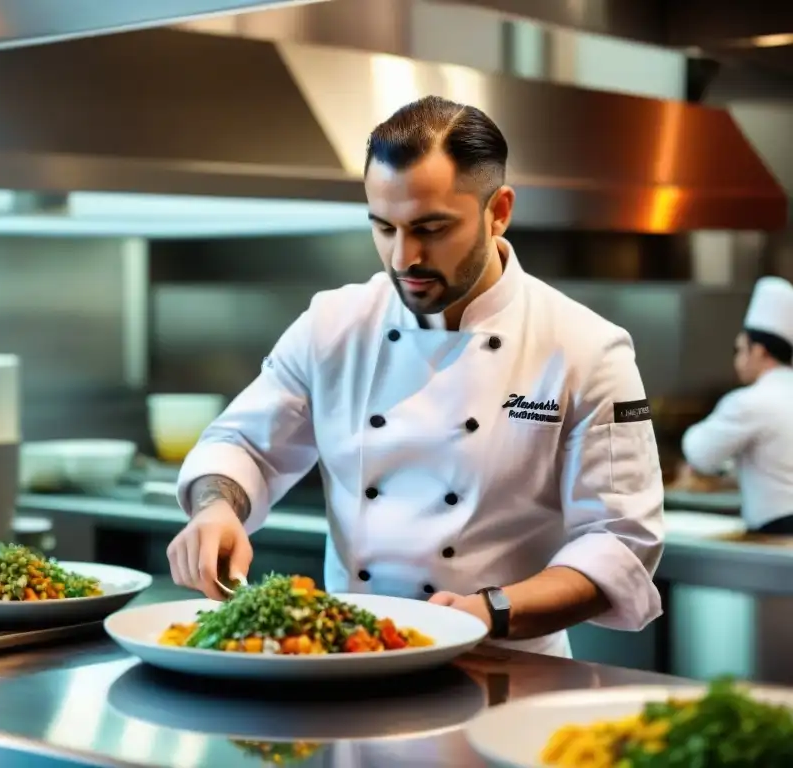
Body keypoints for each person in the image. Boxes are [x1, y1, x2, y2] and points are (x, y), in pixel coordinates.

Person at [166, 96, 665, 657]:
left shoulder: (586, 348)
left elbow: (619, 540)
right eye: (384, 227)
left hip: (508, 669)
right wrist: (216, 508)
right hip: (351, 664)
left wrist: (491, 611)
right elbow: (243, 446)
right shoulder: (334, 323)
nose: (404, 257)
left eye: (431, 228)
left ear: (498, 211)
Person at [681, 276, 793, 535]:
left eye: (741, 350)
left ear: (760, 351)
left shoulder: (750, 401)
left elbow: (699, 453)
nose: (738, 360)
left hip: (777, 534)